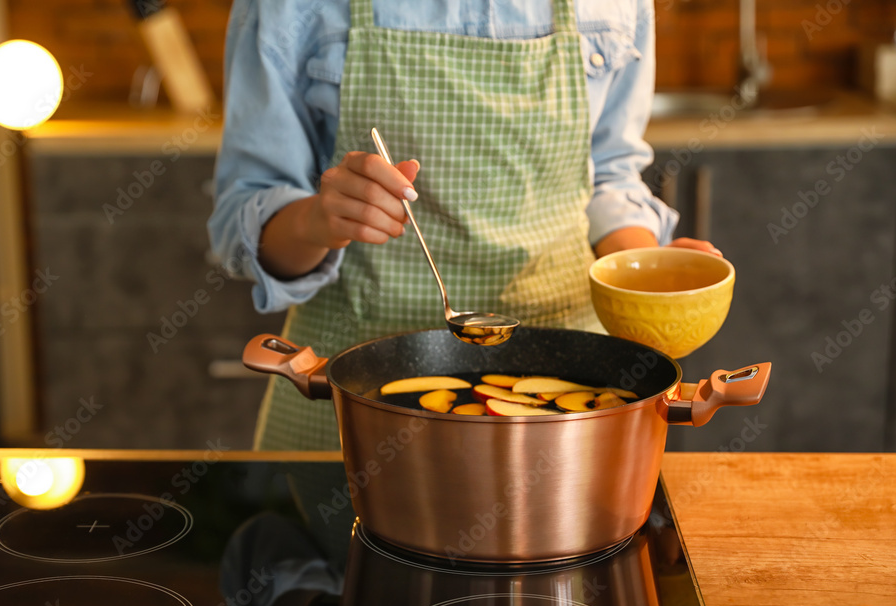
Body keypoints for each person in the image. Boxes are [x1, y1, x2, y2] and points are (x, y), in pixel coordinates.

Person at [207, 0, 719, 453]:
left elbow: (607, 173)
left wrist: (646, 272)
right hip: (350, 401)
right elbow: (242, 217)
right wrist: (321, 220)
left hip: (576, 402)